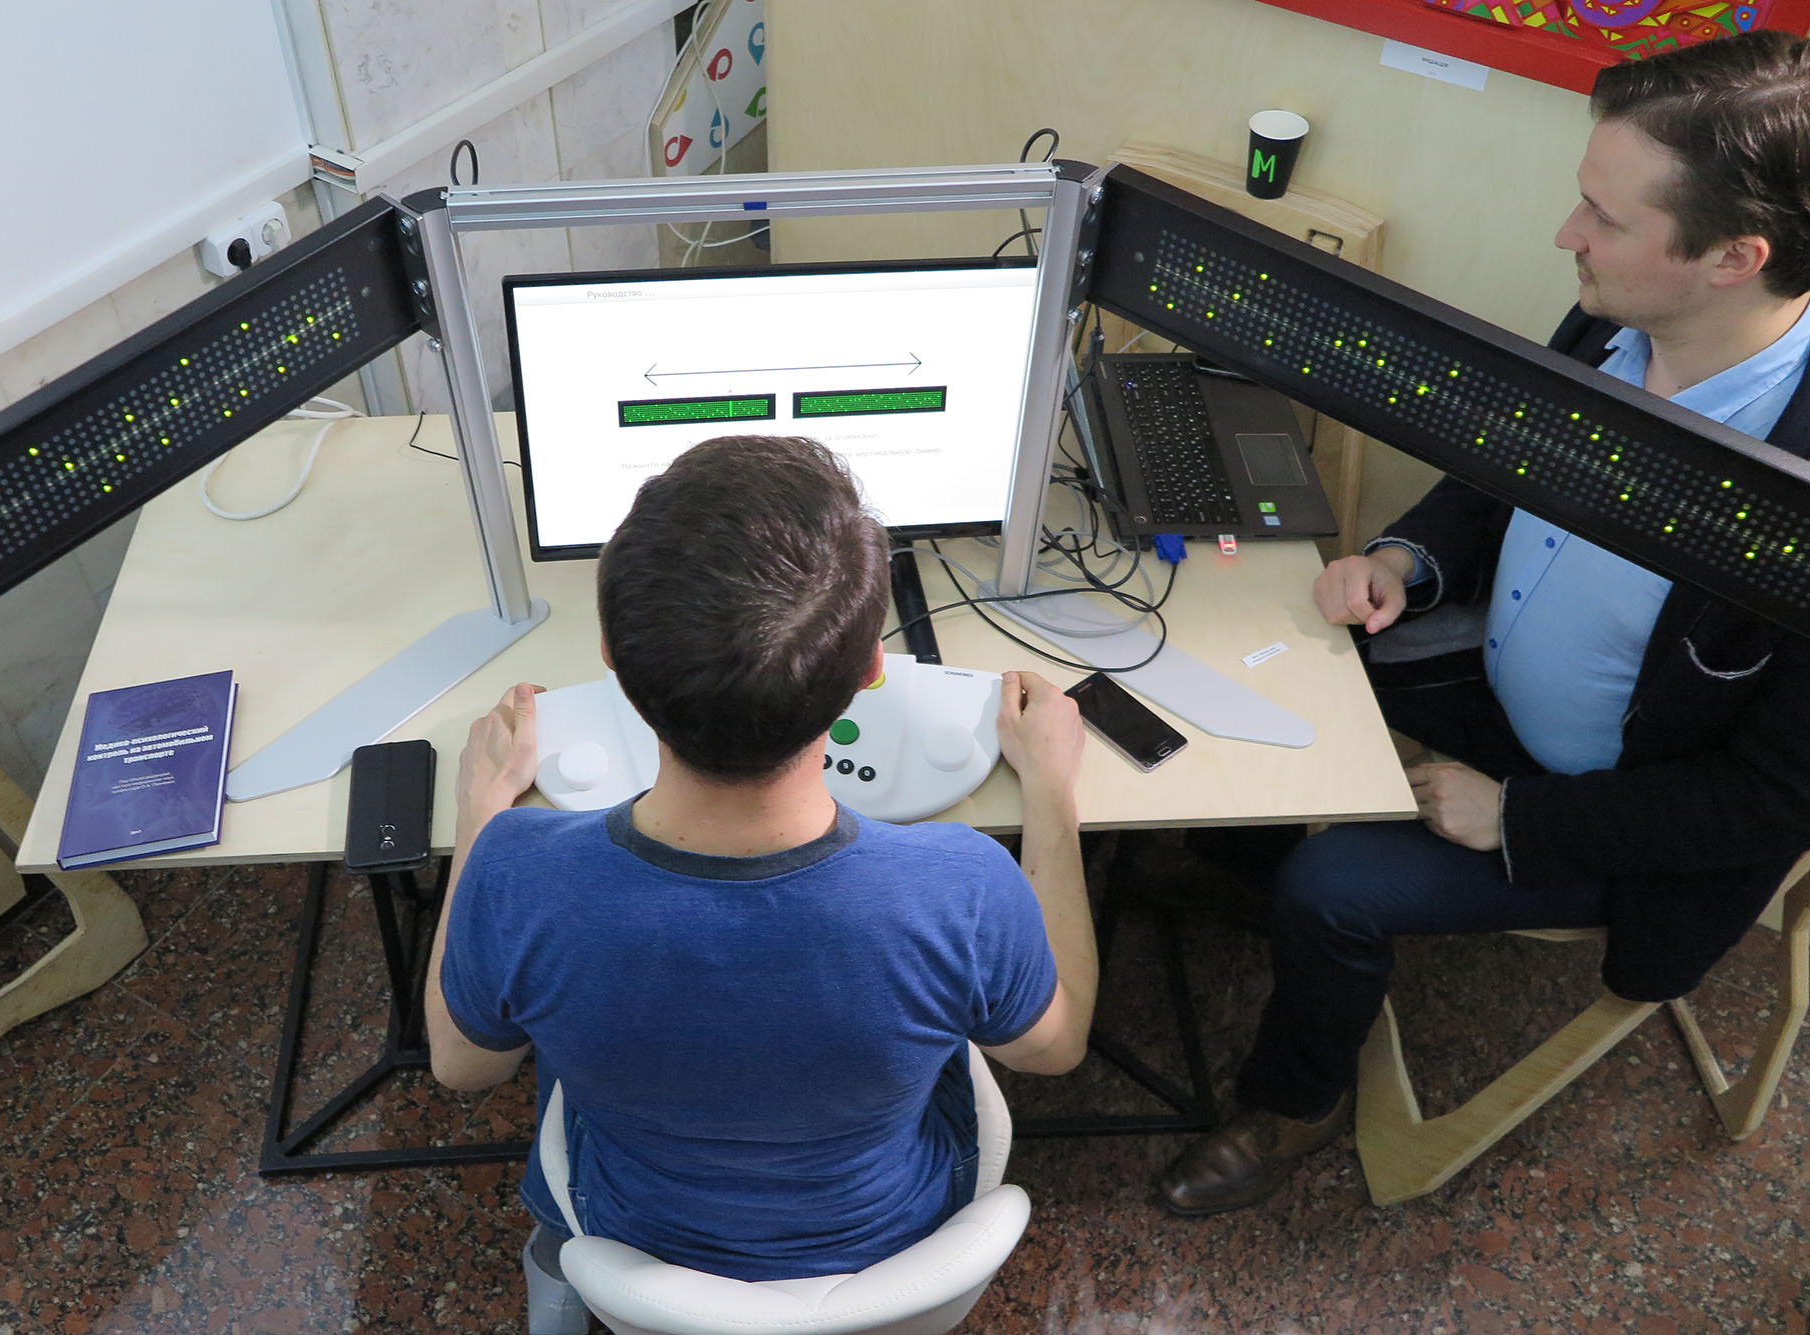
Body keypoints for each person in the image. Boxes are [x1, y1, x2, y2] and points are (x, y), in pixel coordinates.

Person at [1159, 29, 1810, 1215]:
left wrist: (1516, 815)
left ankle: (1291, 1102)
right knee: (1281, 656)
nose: (1566, 235)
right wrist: (1403, 560)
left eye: (1602, 216)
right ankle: (1243, 877)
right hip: (1504, 672)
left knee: (1335, 886)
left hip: (1620, 808)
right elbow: (1501, 469)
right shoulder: (1613, 325)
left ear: (1733, 257)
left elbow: (1762, 804)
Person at [421, 435, 1096, 1331]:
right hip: (892, 1237)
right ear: (871, 669)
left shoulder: (520, 870)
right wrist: (1052, 792)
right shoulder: (962, 886)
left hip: (638, 1238)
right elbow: (1056, 1047)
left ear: (610, 655)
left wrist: (480, 814)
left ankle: (557, 1261)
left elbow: (463, 1065)